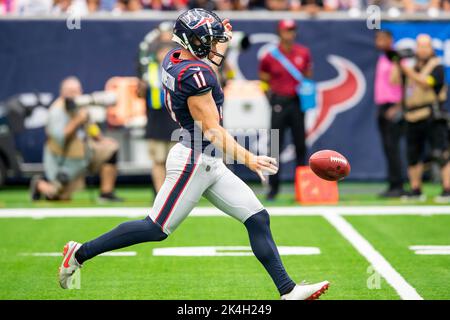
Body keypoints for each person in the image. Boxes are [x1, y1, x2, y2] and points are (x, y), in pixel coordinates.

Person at [58, 8, 329, 300]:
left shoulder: (173, 58)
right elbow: (213, 130)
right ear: (196, 41)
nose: (214, 45)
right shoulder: (196, 76)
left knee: (257, 218)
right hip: (195, 158)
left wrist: (218, 47)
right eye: (210, 40)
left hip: (207, 159)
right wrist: (249, 158)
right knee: (156, 228)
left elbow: (204, 66)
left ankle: (287, 291)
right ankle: (79, 253)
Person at [30, 77, 123, 202]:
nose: (75, 94)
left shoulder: (79, 105)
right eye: (71, 91)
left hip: (83, 154)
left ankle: (106, 193)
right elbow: (60, 138)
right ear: (63, 92)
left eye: (77, 90)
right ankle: (40, 184)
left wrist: (100, 139)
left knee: (111, 148)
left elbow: (90, 126)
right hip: (64, 160)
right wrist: (77, 120)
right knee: (58, 196)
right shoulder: (57, 110)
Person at [391, 34, 450, 202]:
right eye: (420, 46)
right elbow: (394, 81)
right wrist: (397, 65)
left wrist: (408, 70)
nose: (422, 49)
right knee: (413, 154)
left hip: (432, 114)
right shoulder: (412, 65)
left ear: (431, 48)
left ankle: (447, 188)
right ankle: (416, 189)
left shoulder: (436, 66)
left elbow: (426, 83)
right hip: (412, 115)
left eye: (426, 46)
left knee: (441, 152)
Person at [259, 19, 311, 200]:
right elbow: (263, 78)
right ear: (280, 32)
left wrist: (306, 92)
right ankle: (273, 188)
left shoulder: (303, 52)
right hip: (279, 102)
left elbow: (307, 75)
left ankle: (303, 189)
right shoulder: (270, 55)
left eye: (293, 30)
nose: (291, 33)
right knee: (275, 146)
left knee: (300, 146)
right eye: (287, 30)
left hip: (297, 102)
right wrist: (271, 99)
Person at [374, 30, 405, 198]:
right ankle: (393, 184)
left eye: (382, 39)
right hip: (382, 106)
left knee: (393, 147)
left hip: (393, 106)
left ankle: (398, 185)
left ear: (390, 40)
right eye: (377, 39)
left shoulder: (395, 57)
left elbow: (399, 82)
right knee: (387, 147)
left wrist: (398, 107)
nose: (378, 42)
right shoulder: (382, 56)